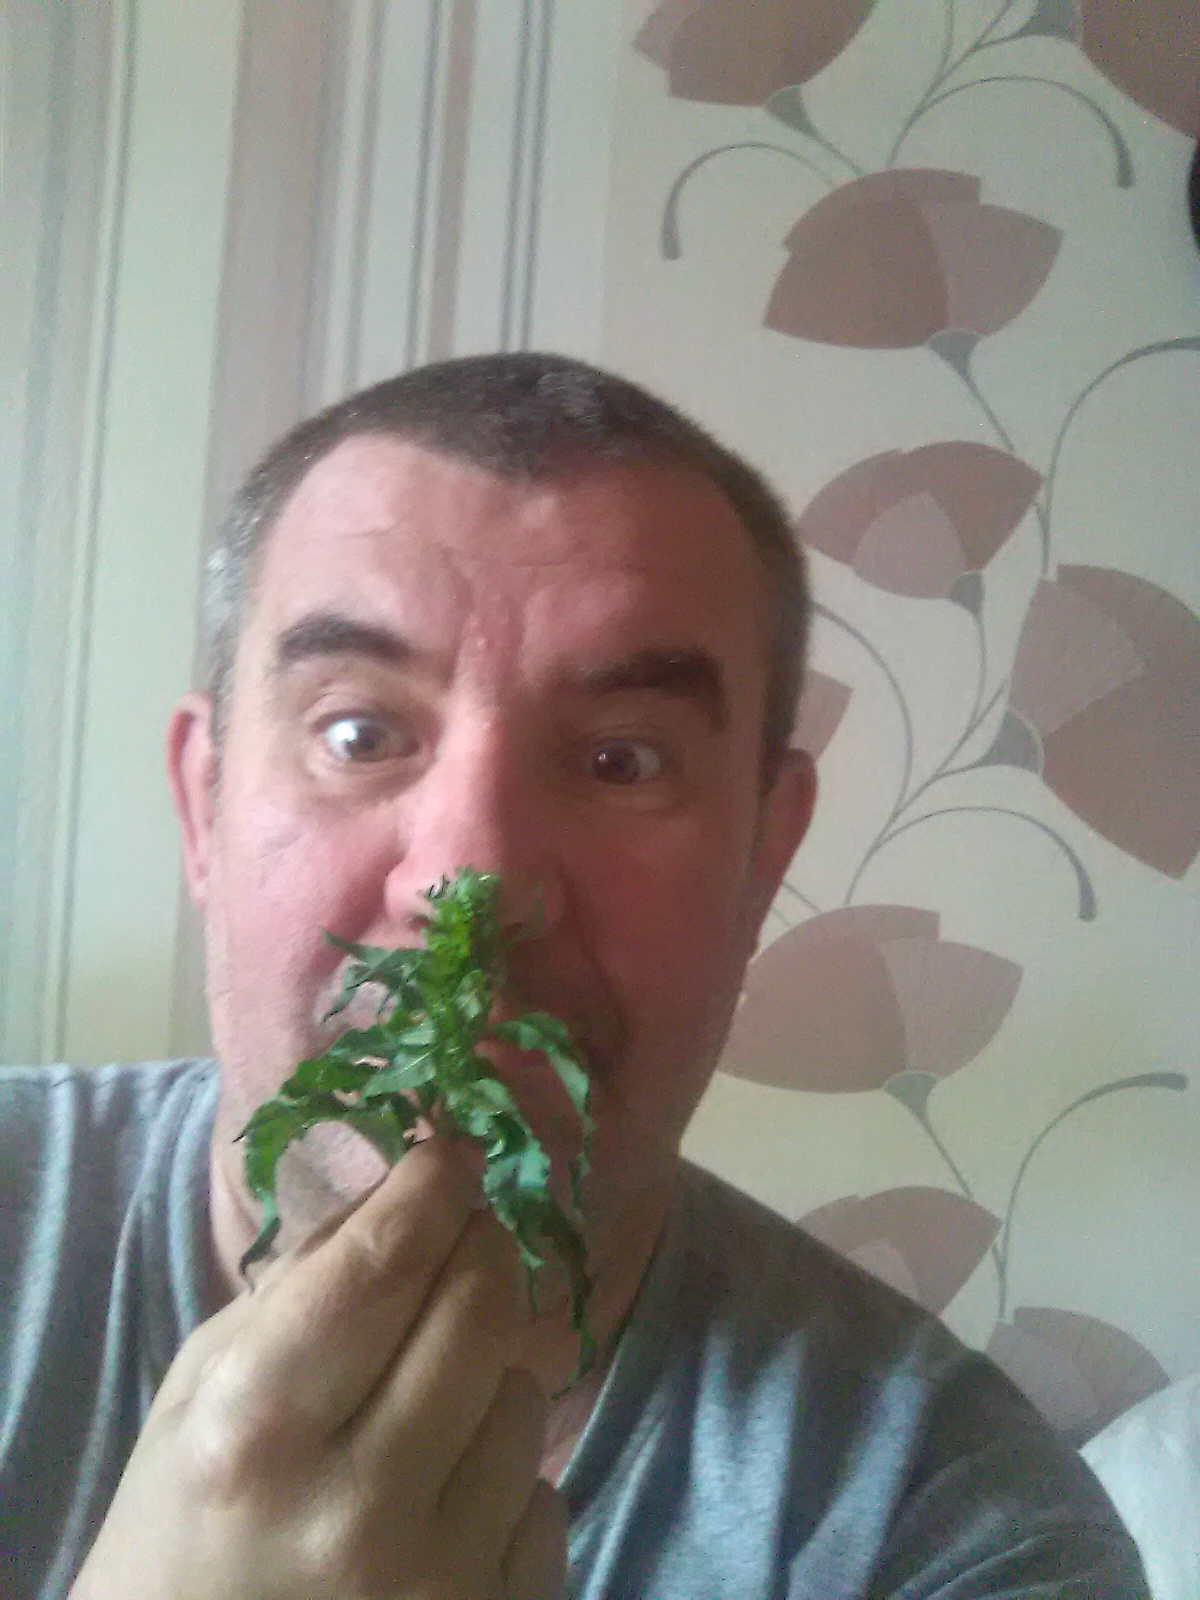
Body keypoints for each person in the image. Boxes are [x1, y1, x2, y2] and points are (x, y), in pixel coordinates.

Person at [1, 354, 1147, 1599]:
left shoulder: (956, 1531)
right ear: (202, 805)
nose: (472, 878)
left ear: (766, 853)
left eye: (621, 760)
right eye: (358, 733)